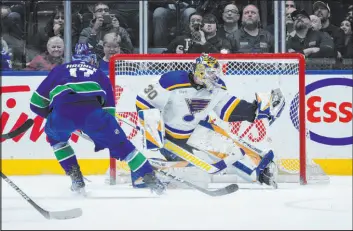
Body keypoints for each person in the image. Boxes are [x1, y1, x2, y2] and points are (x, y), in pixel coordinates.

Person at [29, 44, 166, 195]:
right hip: (93, 114)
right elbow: (109, 110)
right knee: (125, 148)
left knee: (57, 141)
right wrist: (107, 133)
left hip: (61, 114)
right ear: (92, 60)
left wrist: (54, 116)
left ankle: (77, 180)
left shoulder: (58, 70)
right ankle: (153, 181)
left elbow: (35, 104)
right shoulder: (99, 73)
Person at [134, 53, 285, 187]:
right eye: (210, 73)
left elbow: (227, 109)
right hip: (168, 138)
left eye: (215, 73)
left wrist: (254, 110)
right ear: (199, 71)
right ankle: (145, 172)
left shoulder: (217, 88)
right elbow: (143, 101)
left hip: (196, 132)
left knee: (230, 152)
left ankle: (259, 172)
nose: (214, 77)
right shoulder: (171, 80)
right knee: (194, 177)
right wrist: (152, 131)